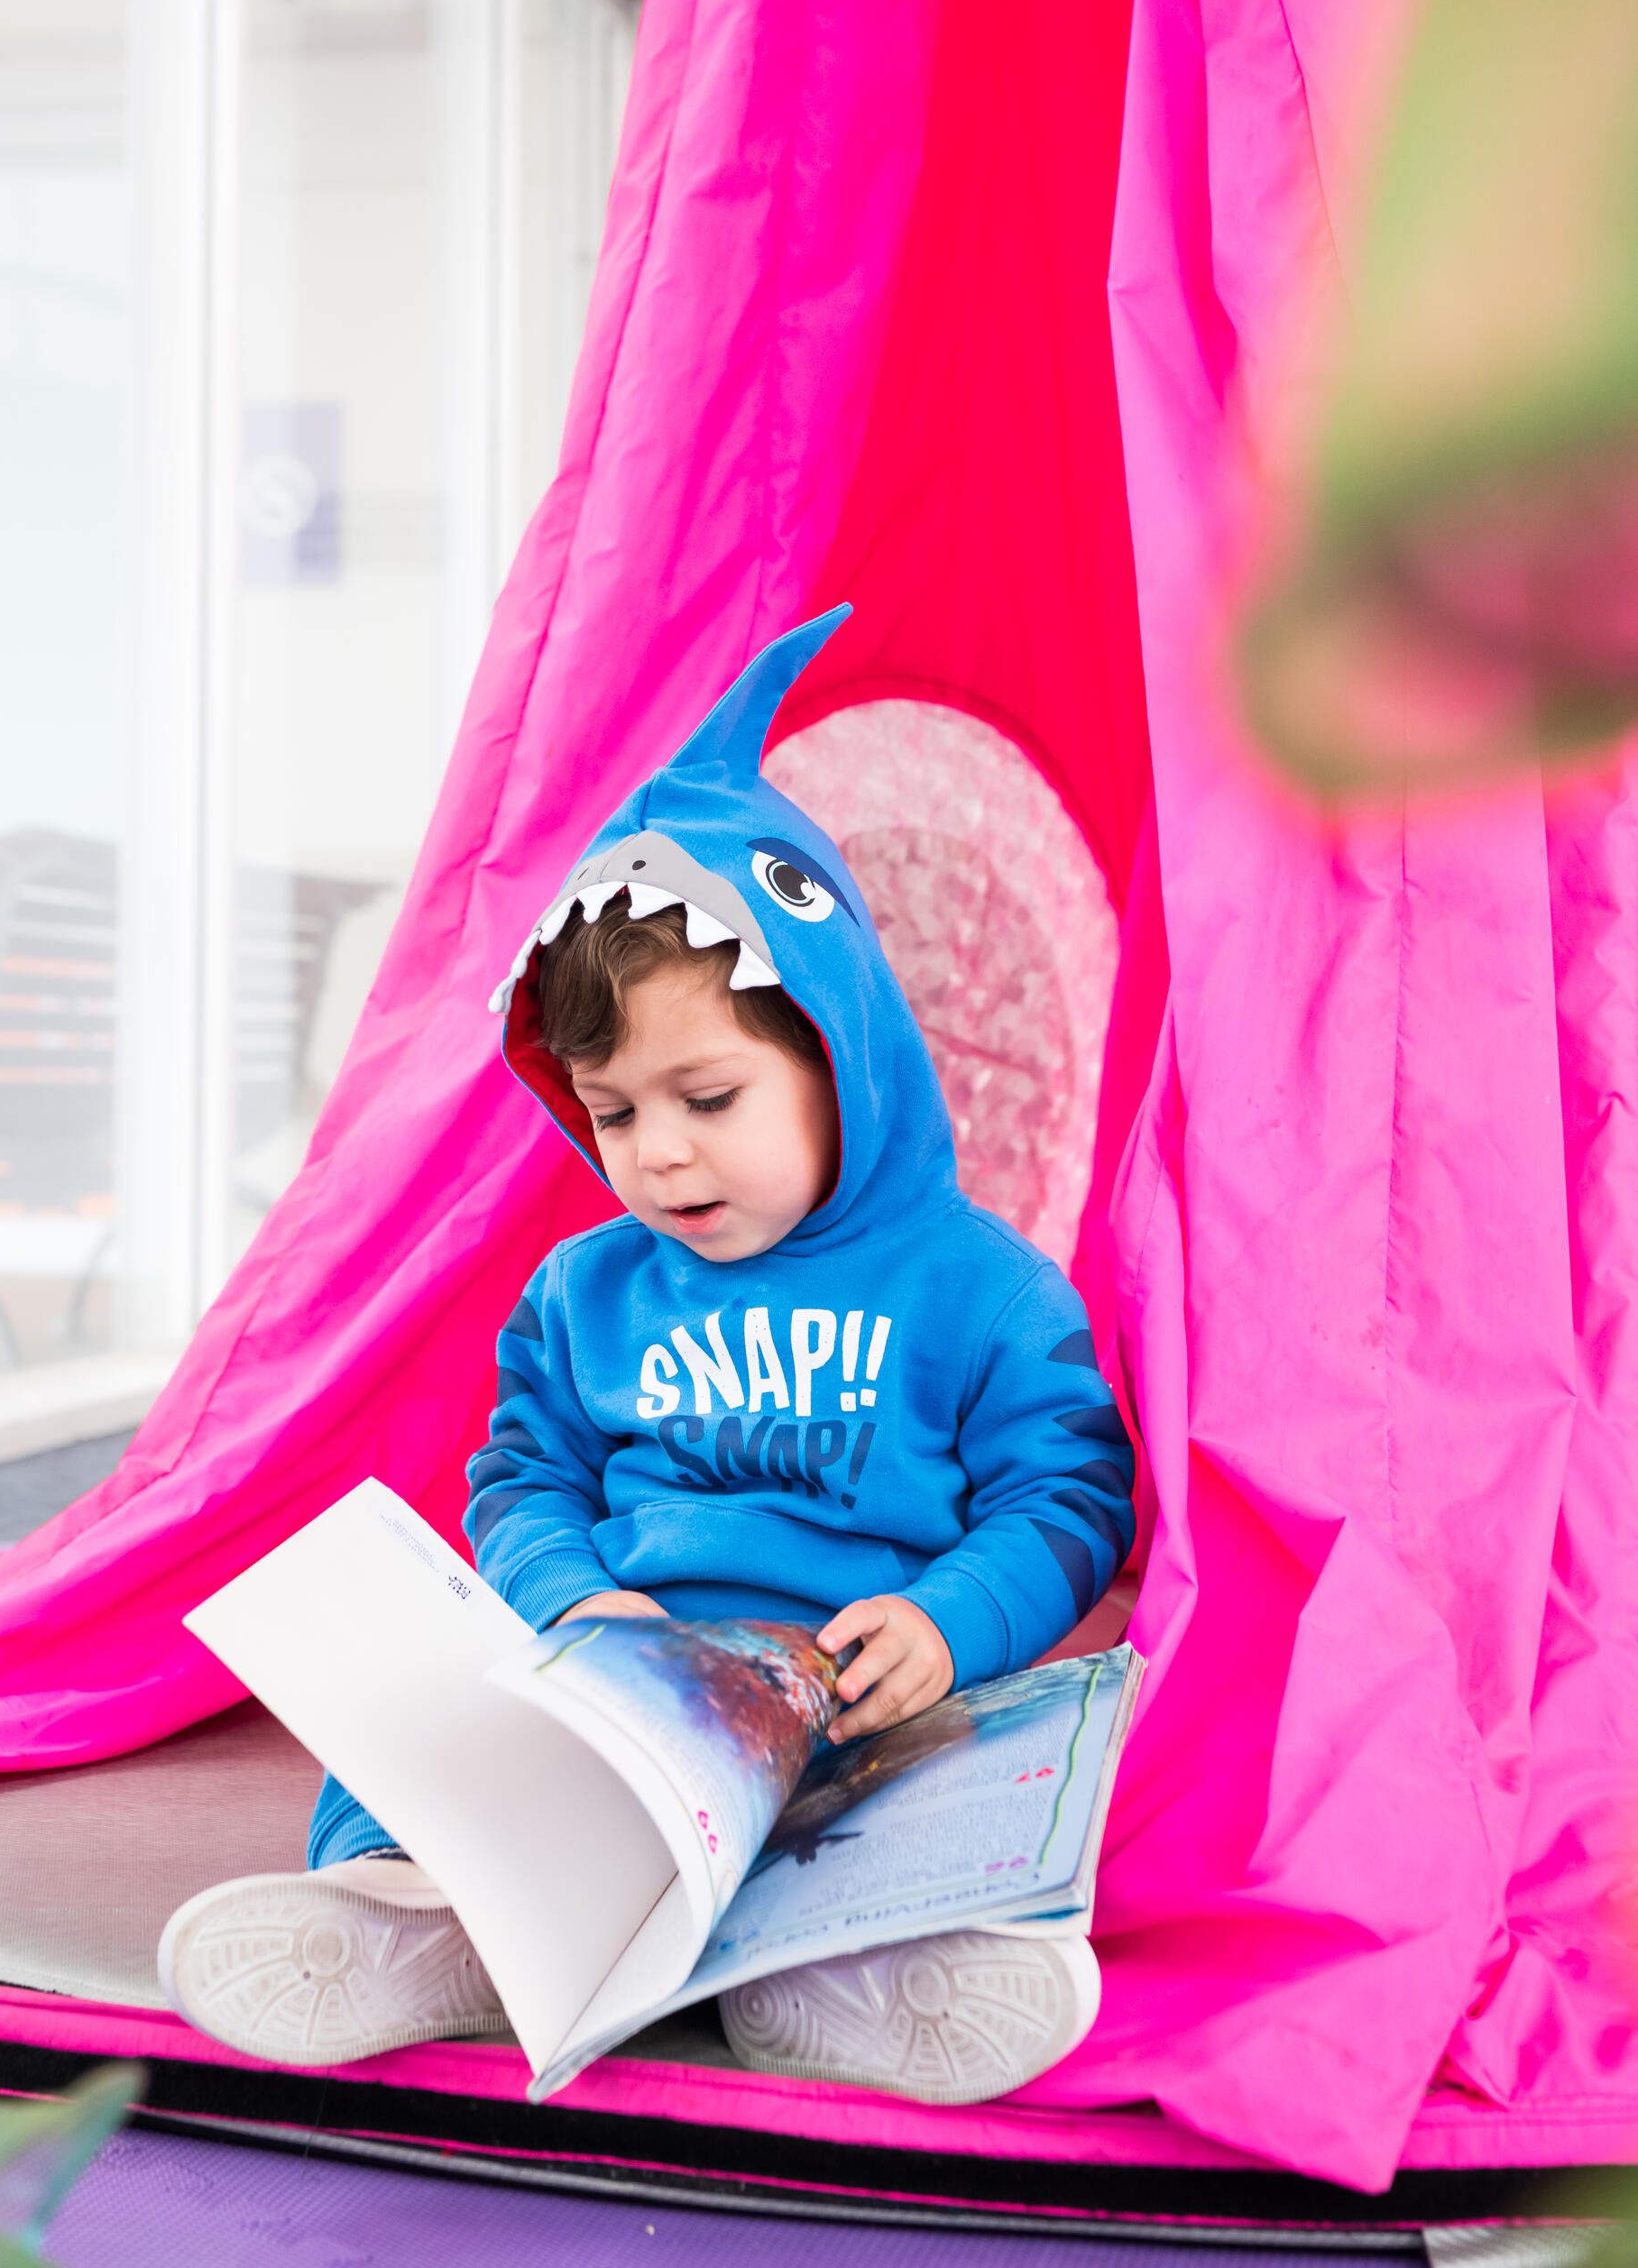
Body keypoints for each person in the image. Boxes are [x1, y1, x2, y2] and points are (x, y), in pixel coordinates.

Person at [158, 611, 1136, 2102]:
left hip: (854, 1715)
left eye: (709, 1095)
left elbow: (1068, 1500)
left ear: (838, 1051)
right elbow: (523, 1478)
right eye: (615, 1113)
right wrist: (568, 1599)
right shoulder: (585, 1292)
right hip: (617, 1698)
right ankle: (432, 1922)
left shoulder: (983, 1292)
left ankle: (836, 1982)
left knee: (978, 1788)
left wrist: (951, 1622)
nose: (660, 1154)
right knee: (428, 1734)